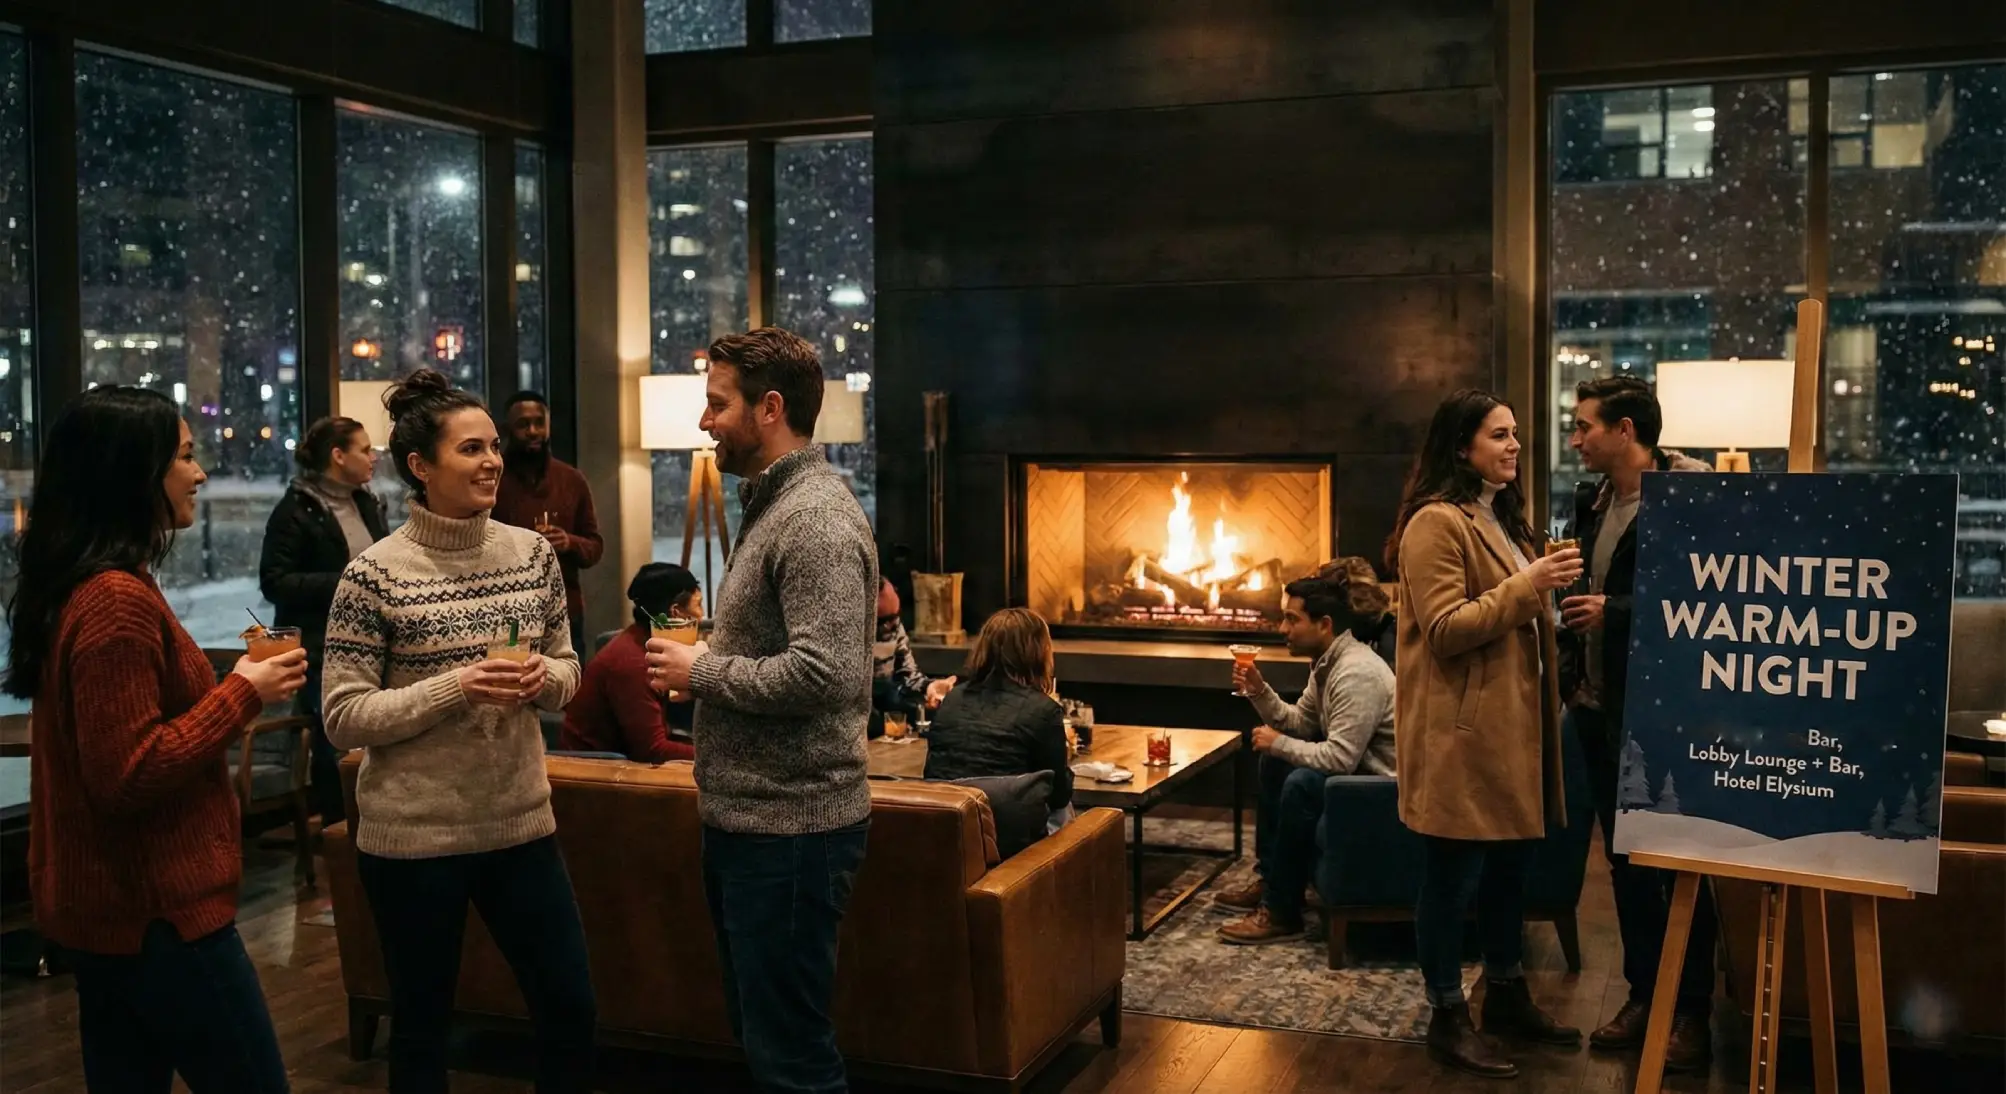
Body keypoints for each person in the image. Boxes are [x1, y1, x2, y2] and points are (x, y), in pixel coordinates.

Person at [5, 385, 307, 1092]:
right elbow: (126, 773)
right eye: (186, 456)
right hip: (158, 914)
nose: (201, 474)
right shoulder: (114, 599)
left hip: (110, 913)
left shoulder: (85, 586)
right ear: (130, 474)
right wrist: (242, 694)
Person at [322, 370, 593, 1093]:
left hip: (520, 824)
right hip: (414, 840)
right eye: (472, 449)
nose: (493, 462)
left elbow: (569, 667)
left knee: (571, 1009)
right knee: (421, 1030)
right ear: (420, 466)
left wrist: (545, 683)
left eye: (495, 447)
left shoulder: (532, 554)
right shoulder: (372, 575)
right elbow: (343, 715)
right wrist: (455, 686)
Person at [644, 327, 876, 1094]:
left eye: (717, 404)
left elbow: (828, 675)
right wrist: (706, 669)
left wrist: (705, 670)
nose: (705, 422)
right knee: (764, 1035)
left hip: (792, 830)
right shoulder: (776, 505)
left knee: (792, 1056)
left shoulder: (814, 519)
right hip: (753, 822)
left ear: (770, 408)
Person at [1387, 388, 1584, 1080]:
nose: (1514, 446)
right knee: (1452, 877)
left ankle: (1505, 994)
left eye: (1516, 435)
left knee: (1510, 872)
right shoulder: (1433, 525)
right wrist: (1530, 586)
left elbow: (1510, 618)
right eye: (1499, 435)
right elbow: (1444, 631)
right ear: (1461, 445)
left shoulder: (1503, 519)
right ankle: (1447, 1014)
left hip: (1515, 734)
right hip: (1462, 737)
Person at [1561, 375, 1717, 1070]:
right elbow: (1584, 589)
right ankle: (1643, 994)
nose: (1574, 439)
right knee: (1624, 865)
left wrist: (1612, 611)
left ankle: (1692, 1014)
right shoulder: (1590, 503)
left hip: (1663, 715)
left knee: (1679, 866)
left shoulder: (1692, 504)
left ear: (1626, 431)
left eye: (1585, 426)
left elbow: (1707, 606)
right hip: (1597, 708)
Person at [1213, 557, 1397, 945]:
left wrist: (1279, 743)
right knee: (1275, 763)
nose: (1283, 629)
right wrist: (1258, 690)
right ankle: (1272, 882)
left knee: (1299, 780)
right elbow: (1300, 722)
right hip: (1355, 774)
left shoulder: (1357, 672)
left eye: (1292, 620)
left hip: (1379, 789)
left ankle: (1282, 911)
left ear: (1324, 624)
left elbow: (1340, 759)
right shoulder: (1327, 663)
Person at [258, 414, 389, 831]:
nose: (373, 457)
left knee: (378, 741)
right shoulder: (296, 509)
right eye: (364, 449)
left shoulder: (366, 502)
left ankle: (378, 831)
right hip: (321, 647)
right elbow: (275, 582)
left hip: (373, 642)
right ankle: (341, 839)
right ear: (338, 455)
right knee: (338, 746)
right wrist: (345, 582)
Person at [922, 608, 1074, 822]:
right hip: (1011, 839)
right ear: (1039, 653)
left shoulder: (952, 699)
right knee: (1064, 812)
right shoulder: (1044, 710)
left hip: (947, 829)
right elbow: (1059, 796)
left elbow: (932, 771)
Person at [491, 390, 603, 645]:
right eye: (523, 424)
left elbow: (595, 548)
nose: (532, 431)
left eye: (539, 423)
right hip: (506, 613)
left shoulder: (572, 480)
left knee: (570, 684)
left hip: (566, 610)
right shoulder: (492, 480)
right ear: (507, 429)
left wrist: (568, 542)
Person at [560, 562, 702, 762]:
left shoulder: (643, 643)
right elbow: (653, 750)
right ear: (676, 612)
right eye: (698, 604)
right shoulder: (633, 663)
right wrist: (719, 758)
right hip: (596, 775)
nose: (701, 615)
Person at [872, 575, 953, 735]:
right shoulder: (849, 638)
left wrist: (929, 686)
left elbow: (908, 674)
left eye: (896, 616)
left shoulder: (895, 628)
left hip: (886, 696)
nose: (893, 625)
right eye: (885, 620)